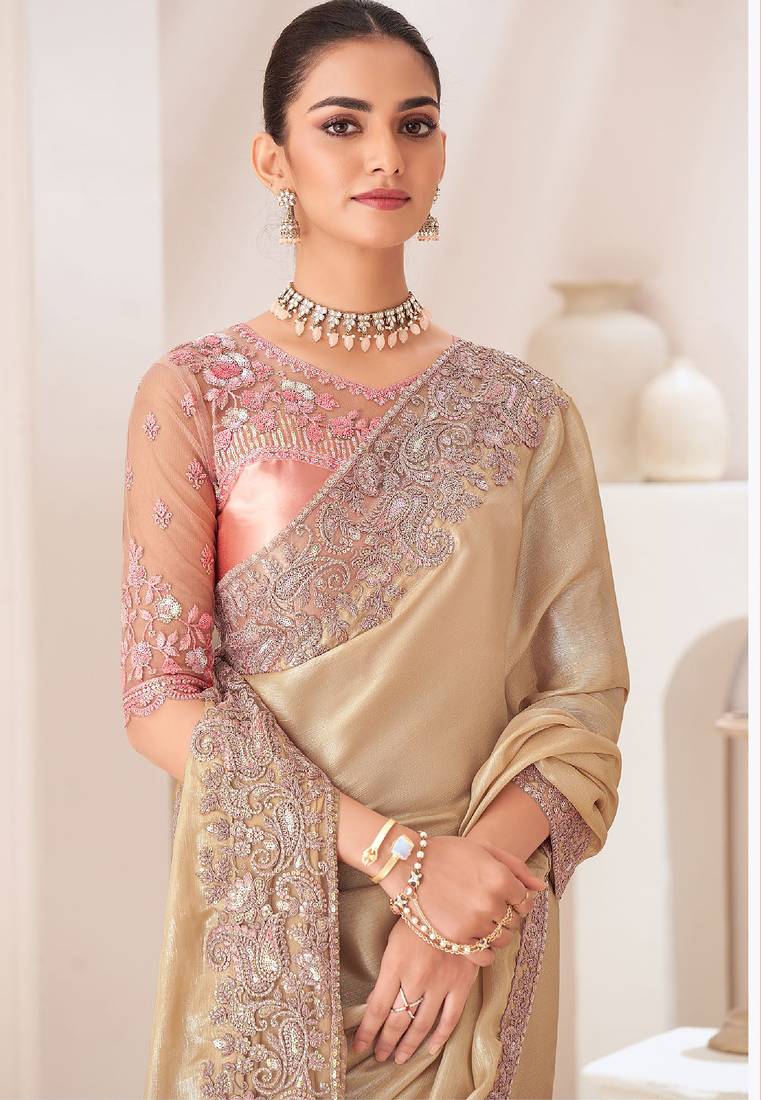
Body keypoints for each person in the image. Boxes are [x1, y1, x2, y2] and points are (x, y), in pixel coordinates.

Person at [120, 3, 630, 1097]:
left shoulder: (521, 412)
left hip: (471, 936)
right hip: (270, 923)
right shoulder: (197, 392)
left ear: (441, 152)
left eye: (415, 124)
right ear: (273, 158)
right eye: (341, 124)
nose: (385, 155)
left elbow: (581, 699)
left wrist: (462, 898)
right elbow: (161, 696)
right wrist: (403, 860)